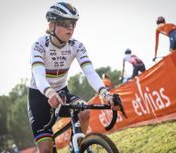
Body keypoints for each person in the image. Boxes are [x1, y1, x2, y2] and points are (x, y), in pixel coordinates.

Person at [27, 2, 114, 153]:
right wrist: (49, 92)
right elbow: (39, 76)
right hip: (39, 97)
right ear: (52, 24)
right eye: (66, 23)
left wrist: (105, 94)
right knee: (46, 149)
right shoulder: (39, 45)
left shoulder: (76, 45)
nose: (71, 28)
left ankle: (78, 145)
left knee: (85, 112)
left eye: (74, 24)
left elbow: (90, 72)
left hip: (61, 92)